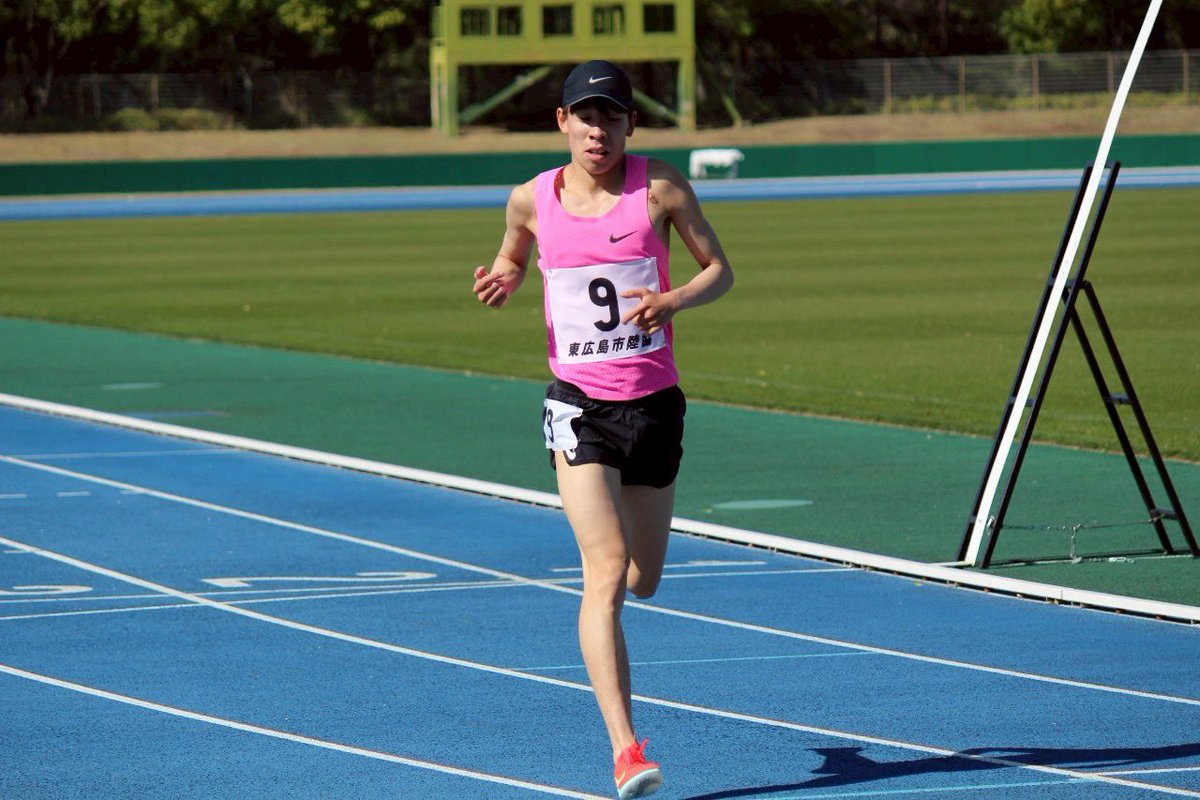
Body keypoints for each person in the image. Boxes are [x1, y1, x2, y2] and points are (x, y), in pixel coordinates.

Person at [471, 59, 734, 799]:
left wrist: (675, 297)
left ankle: (625, 738)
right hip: (579, 408)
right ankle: (625, 749)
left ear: (629, 125)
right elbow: (514, 252)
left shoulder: (661, 189)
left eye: (612, 117)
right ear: (563, 122)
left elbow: (721, 270)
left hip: (653, 407)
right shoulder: (531, 198)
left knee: (645, 579)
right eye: (586, 116)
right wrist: (505, 275)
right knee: (606, 570)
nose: (598, 129)